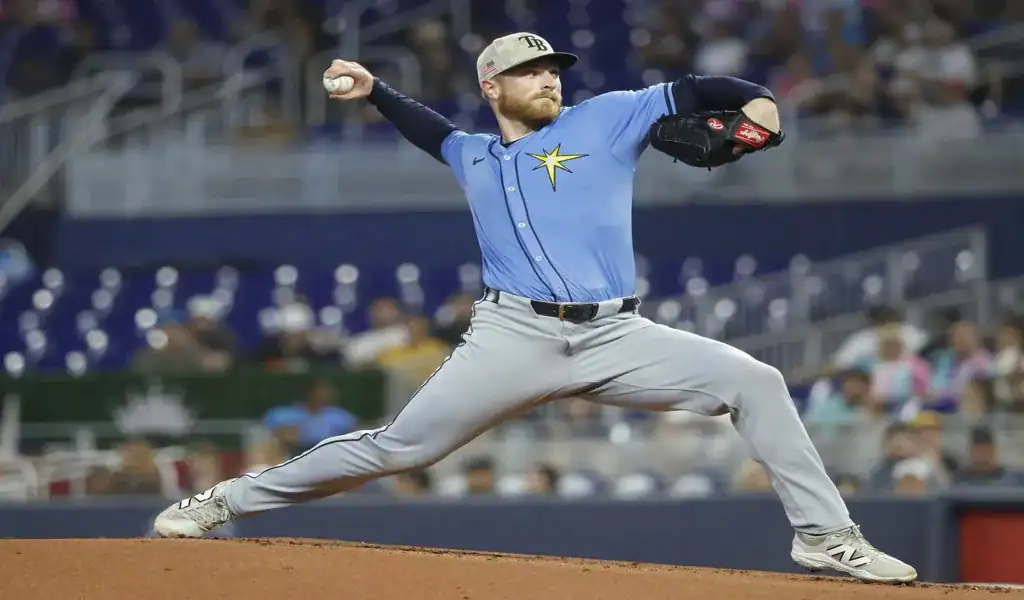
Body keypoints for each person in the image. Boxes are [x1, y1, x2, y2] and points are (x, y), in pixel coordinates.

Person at [153, 32, 916, 583]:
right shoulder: (473, 155)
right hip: (511, 336)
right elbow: (433, 131)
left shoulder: (608, 116)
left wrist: (760, 113)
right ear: (494, 87)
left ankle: (825, 536)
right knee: (399, 448)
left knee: (757, 381)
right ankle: (222, 501)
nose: (549, 78)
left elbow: (707, 93)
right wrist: (377, 91)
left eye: (552, 67)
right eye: (530, 71)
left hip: (618, 332)